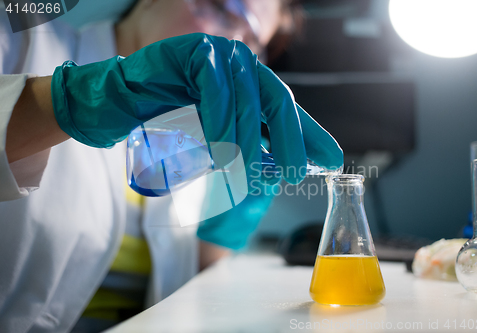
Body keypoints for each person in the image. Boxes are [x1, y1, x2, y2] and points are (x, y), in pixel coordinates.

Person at [0, 0, 343, 332]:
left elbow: (182, 286)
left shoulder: (199, 137)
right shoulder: (18, 38)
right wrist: (72, 101)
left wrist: (223, 231)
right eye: (222, 8)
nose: (230, 45)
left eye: (252, 41)